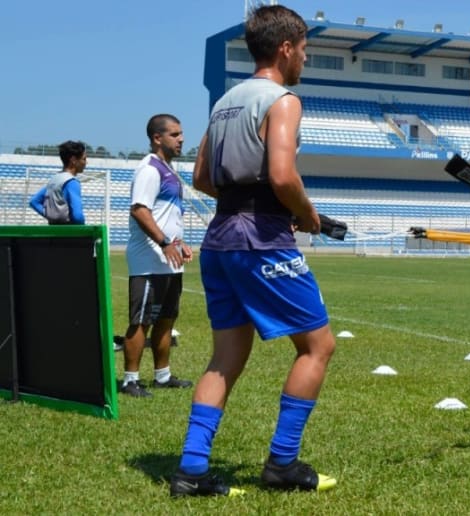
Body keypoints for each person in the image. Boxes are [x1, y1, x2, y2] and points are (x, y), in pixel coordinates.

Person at [170, 5, 337, 497]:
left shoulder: (225, 101)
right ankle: (283, 464)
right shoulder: (283, 100)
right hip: (260, 240)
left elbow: (202, 176)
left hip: (220, 239)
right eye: (304, 49)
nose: (305, 58)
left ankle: (191, 470)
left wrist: (246, 203)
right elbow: (283, 175)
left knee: (225, 357)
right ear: (286, 47)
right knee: (317, 346)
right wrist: (304, 214)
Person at [119, 114, 194, 398]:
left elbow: (167, 215)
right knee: (142, 321)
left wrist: (179, 243)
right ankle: (130, 381)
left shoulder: (169, 170)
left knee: (166, 319)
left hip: (168, 260)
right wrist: (164, 242)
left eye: (181, 133)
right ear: (157, 138)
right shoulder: (149, 169)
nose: (181, 139)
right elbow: (139, 210)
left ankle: (162, 376)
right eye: (175, 134)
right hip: (148, 260)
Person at [28, 140, 87, 224]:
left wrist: (51, 216)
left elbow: (34, 202)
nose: (85, 163)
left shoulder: (54, 180)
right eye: (84, 159)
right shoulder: (72, 182)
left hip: (53, 232)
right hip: (70, 233)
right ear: (73, 160)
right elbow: (77, 216)